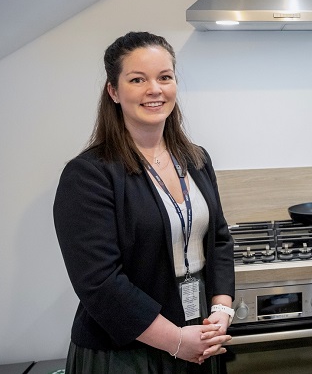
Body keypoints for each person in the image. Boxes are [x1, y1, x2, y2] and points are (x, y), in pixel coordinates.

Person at [54, 32, 235, 373]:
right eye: (138, 79)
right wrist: (176, 341)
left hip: (198, 338)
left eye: (165, 77)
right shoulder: (89, 175)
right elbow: (101, 283)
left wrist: (221, 311)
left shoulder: (196, 159)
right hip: (127, 353)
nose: (155, 89)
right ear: (113, 91)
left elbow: (220, 239)